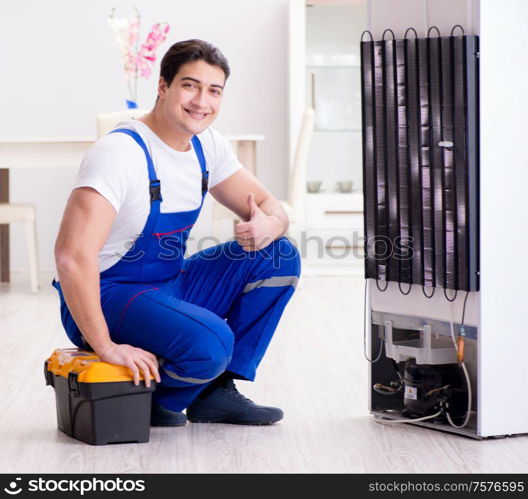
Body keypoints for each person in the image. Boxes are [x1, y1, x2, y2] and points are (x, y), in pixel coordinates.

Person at [53, 39, 300, 427]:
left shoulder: (207, 146)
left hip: (169, 281)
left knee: (280, 254)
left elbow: (272, 205)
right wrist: (106, 346)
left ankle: (215, 393)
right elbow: (71, 256)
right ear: (163, 86)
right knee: (212, 342)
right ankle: (148, 399)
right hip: (107, 294)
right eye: (190, 85)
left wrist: (269, 223)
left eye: (214, 91)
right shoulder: (118, 154)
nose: (202, 101)